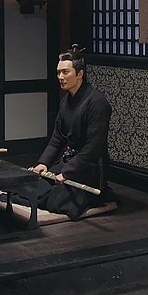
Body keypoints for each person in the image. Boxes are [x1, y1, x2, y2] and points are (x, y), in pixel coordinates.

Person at [32, 44, 115, 219]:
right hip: (70, 161)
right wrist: (43, 163)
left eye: (65, 72)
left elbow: (94, 147)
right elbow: (57, 138)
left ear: (80, 74)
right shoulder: (66, 101)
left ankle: (99, 196)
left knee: (58, 201)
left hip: (89, 166)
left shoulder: (97, 103)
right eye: (58, 73)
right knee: (32, 187)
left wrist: (68, 172)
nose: (60, 77)